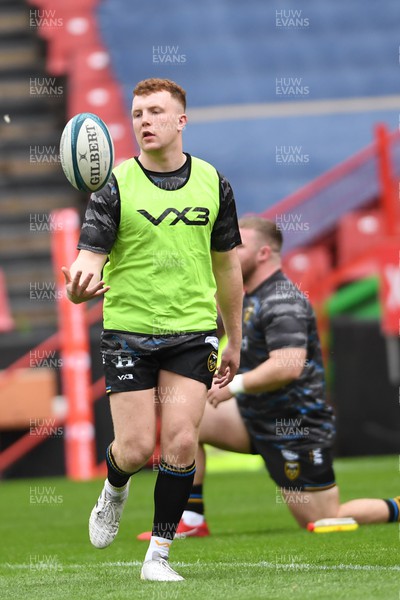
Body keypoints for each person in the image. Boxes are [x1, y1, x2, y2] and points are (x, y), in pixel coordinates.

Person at [61, 78, 243, 581]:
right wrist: (79, 288)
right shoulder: (114, 185)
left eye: (155, 112)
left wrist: (236, 337)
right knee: (137, 448)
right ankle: (115, 485)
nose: (144, 120)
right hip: (129, 334)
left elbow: (228, 268)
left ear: (180, 121)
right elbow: (87, 261)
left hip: (193, 332)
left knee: (182, 440)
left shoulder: (214, 182)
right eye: (138, 112)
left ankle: (158, 556)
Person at [138, 216, 400, 540]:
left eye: (239, 246)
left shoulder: (283, 299)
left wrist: (234, 386)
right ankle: (191, 518)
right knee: (187, 414)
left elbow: (288, 365)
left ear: (263, 253)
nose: (229, 253)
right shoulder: (246, 296)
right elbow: (202, 329)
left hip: (295, 426)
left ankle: (397, 507)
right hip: (253, 415)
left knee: (324, 519)